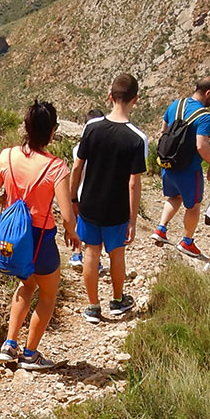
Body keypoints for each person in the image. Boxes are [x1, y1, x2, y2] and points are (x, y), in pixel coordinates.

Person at [0, 101, 77, 370]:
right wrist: (73, 234)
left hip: (12, 238)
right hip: (40, 241)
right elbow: (67, 216)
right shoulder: (56, 167)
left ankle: (9, 345)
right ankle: (30, 354)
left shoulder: (6, 156)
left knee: (26, 284)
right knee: (47, 294)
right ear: (53, 131)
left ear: (26, 127)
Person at [69, 73, 148, 324]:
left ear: (109, 96)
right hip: (117, 208)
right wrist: (133, 219)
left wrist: (73, 199)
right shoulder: (137, 138)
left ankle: (93, 306)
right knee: (117, 253)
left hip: (89, 203)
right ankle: (117, 301)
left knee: (91, 252)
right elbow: (133, 182)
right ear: (135, 100)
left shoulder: (91, 128)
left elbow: (77, 167)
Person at [154, 76, 210, 260]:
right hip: (189, 169)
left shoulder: (176, 104)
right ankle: (187, 241)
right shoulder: (204, 116)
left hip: (168, 164)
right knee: (193, 206)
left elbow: (163, 131)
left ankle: (161, 229)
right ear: (208, 93)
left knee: (174, 197)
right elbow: (201, 145)